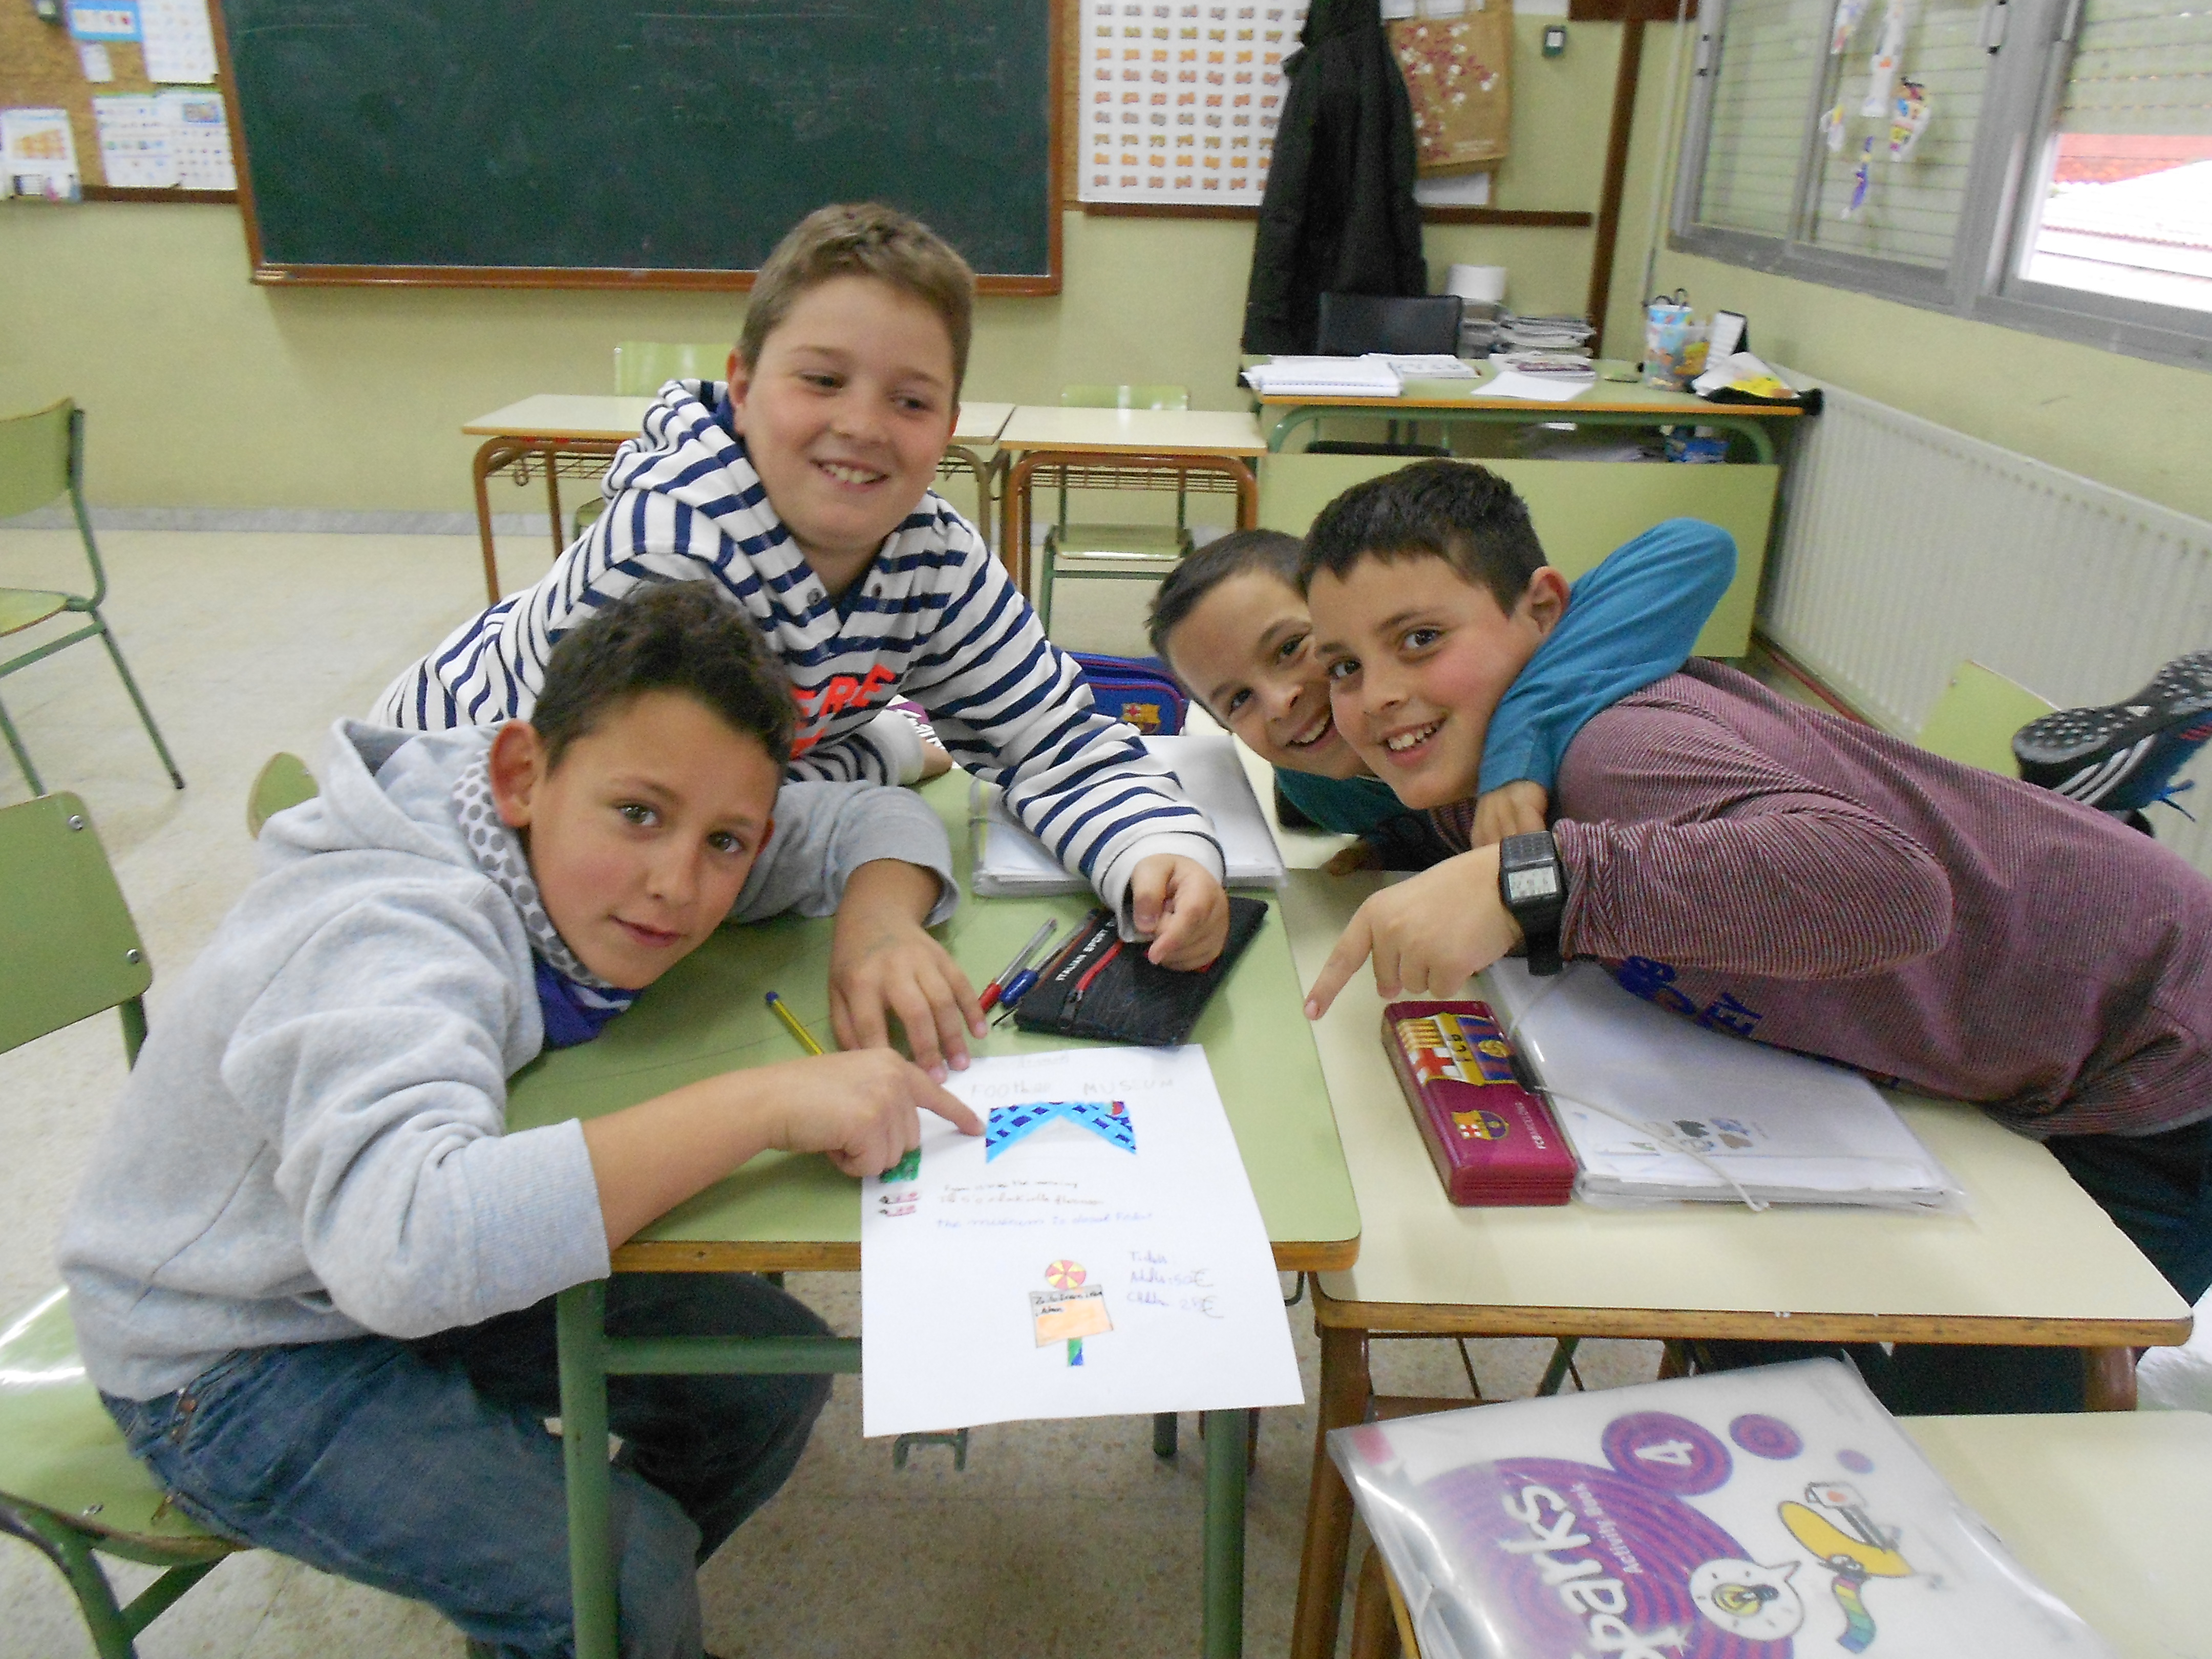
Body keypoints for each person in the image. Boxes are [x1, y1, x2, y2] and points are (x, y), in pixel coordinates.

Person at [60, 584, 984, 1658]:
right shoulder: (387, 928)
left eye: (728, 843)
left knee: (763, 1379)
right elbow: (406, 1249)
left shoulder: (631, 812)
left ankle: (581, 1625)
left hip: (375, 1260)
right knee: (622, 1575)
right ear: (519, 777)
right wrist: (764, 1103)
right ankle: (606, 1611)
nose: (676, 884)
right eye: (639, 816)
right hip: (229, 1345)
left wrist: (875, 925)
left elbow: (874, 816)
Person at [1298, 459, 2212, 1412]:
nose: (1380, 694)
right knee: (1752, 1321)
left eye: (1421, 639)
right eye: (1344, 668)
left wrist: (1534, 883)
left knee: (1967, 1429)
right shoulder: (1482, 766)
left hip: (2154, 1060)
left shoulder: (1620, 750)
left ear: (1543, 613)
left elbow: (1896, 892)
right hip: (1985, 1030)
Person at [376, 201, 1228, 1017]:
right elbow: (688, 829)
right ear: (743, 387)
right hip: (452, 794)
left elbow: (1052, 741)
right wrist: (883, 756)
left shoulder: (935, 557)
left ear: (948, 427)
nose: (862, 425)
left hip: (687, 797)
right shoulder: (666, 557)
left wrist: (1156, 849)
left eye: (911, 401)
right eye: (822, 380)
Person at [1144, 518, 1735, 865]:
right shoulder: (1318, 787)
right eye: (1238, 701)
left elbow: (1695, 545)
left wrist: (1519, 745)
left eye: (1290, 648)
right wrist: (1393, 848)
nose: (1279, 703)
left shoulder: (1481, 673)